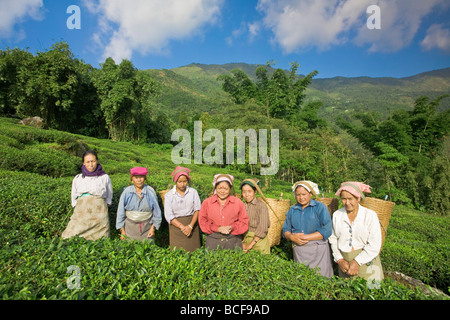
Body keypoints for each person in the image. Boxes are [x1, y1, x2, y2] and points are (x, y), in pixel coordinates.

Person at [329, 182, 384, 281]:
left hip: (367, 262)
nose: (347, 203)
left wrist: (357, 262)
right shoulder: (337, 215)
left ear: (358, 199)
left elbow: (374, 244)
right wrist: (340, 260)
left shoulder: (370, 215)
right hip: (345, 265)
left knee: (373, 292)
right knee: (347, 294)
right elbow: (333, 239)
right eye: (344, 199)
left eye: (350, 199)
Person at [282, 181, 333, 278]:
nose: (301, 198)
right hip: (299, 251)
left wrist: (305, 238)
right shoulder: (292, 210)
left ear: (311, 194)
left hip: (318, 250)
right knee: (303, 279)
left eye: (304, 194)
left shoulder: (320, 207)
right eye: (298, 195)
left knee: (321, 278)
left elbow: (327, 230)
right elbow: (285, 229)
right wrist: (291, 237)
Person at [62, 150, 113, 240]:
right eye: (87, 162)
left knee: (100, 238)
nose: (91, 164)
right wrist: (78, 207)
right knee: (69, 236)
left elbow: (109, 195)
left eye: (93, 161)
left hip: (99, 213)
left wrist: (104, 206)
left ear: (97, 161)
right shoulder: (78, 178)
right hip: (81, 213)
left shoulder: (104, 177)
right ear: (83, 163)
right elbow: (73, 196)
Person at [199, 174, 249, 250]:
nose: (222, 191)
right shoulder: (207, 203)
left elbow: (244, 222)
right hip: (213, 241)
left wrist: (232, 227)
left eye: (225, 189)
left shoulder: (238, 203)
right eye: (219, 188)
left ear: (230, 189)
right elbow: (202, 222)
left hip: (233, 241)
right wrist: (217, 228)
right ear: (215, 188)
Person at [116, 167, 162, 242]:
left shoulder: (150, 191)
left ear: (144, 178)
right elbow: (120, 212)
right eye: (136, 177)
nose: (139, 180)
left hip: (147, 228)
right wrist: (122, 231)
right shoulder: (127, 192)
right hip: (129, 229)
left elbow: (157, 212)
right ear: (132, 179)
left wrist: (153, 228)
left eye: (141, 177)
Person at [164, 166, 202, 252]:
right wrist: (182, 227)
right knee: (178, 253)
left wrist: (190, 226)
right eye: (179, 182)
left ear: (188, 181)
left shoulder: (193, 192)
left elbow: (197, 210)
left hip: (192, 224)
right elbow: (169, 215)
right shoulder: (169, 195)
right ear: (175, 181)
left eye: (185, 181)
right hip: (176, 226)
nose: (182, 184)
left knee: (194, 252)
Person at [240, 178, 271, 254]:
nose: (246, 195)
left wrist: (250, 245)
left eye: (249, 191)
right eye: (244, 192)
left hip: (259, 241)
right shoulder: (242, 206)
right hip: (246, 239)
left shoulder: (261, 206)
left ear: (255, 192)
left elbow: (263, 228)